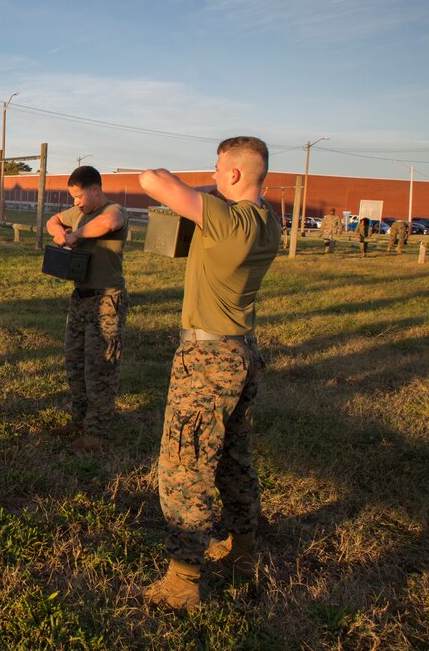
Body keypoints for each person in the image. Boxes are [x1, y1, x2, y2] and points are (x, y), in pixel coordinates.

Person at [136, 136, 281, 610]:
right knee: (234, 458)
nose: (214, 175)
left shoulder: (226, 220)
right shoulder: (268, 223)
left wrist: (207, 190)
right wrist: (216, 190)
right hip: (242, 352)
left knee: (186, 465)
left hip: (208, 360)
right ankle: (242, 553)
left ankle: (184, 581)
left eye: (220, 169)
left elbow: (151, 180)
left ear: (235, 175)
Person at [45, 166, 129, 451]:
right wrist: (59, 232)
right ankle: (79, 420)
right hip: (80, 299)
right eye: (73, 198)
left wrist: (77, 234)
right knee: (75, 364)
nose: (76, 203)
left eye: (79, 196)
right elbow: (52, 220)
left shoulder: (113, 209)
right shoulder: (79, 211)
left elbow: (110, 222)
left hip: (107, 301)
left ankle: (97, 434)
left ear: (95, 190)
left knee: (101, 367)